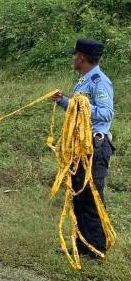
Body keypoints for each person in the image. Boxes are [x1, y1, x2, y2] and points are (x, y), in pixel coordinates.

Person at [51, 38, 115, 260]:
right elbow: (77, 110)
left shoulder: (100, 81)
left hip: (94, 148)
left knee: (90, 197)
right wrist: (63, 101)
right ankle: (81, 243)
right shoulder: (84, 80)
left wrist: (81, 105)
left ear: (81, 57)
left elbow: (106, 113)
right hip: (79, 148)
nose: (73, 59)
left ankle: (96, 248)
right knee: (78, 195)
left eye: (75, 55)